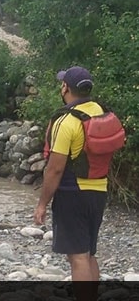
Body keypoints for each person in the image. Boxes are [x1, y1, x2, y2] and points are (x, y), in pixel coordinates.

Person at [34, 66, 120, 300]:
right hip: (99, 191)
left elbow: (55, 169)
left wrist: (42, 203)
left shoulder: (67, 121)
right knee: (89, 253)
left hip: (73, 193)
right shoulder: (101, 111)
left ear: (66, 88)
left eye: (62, 83)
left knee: (78, 256)